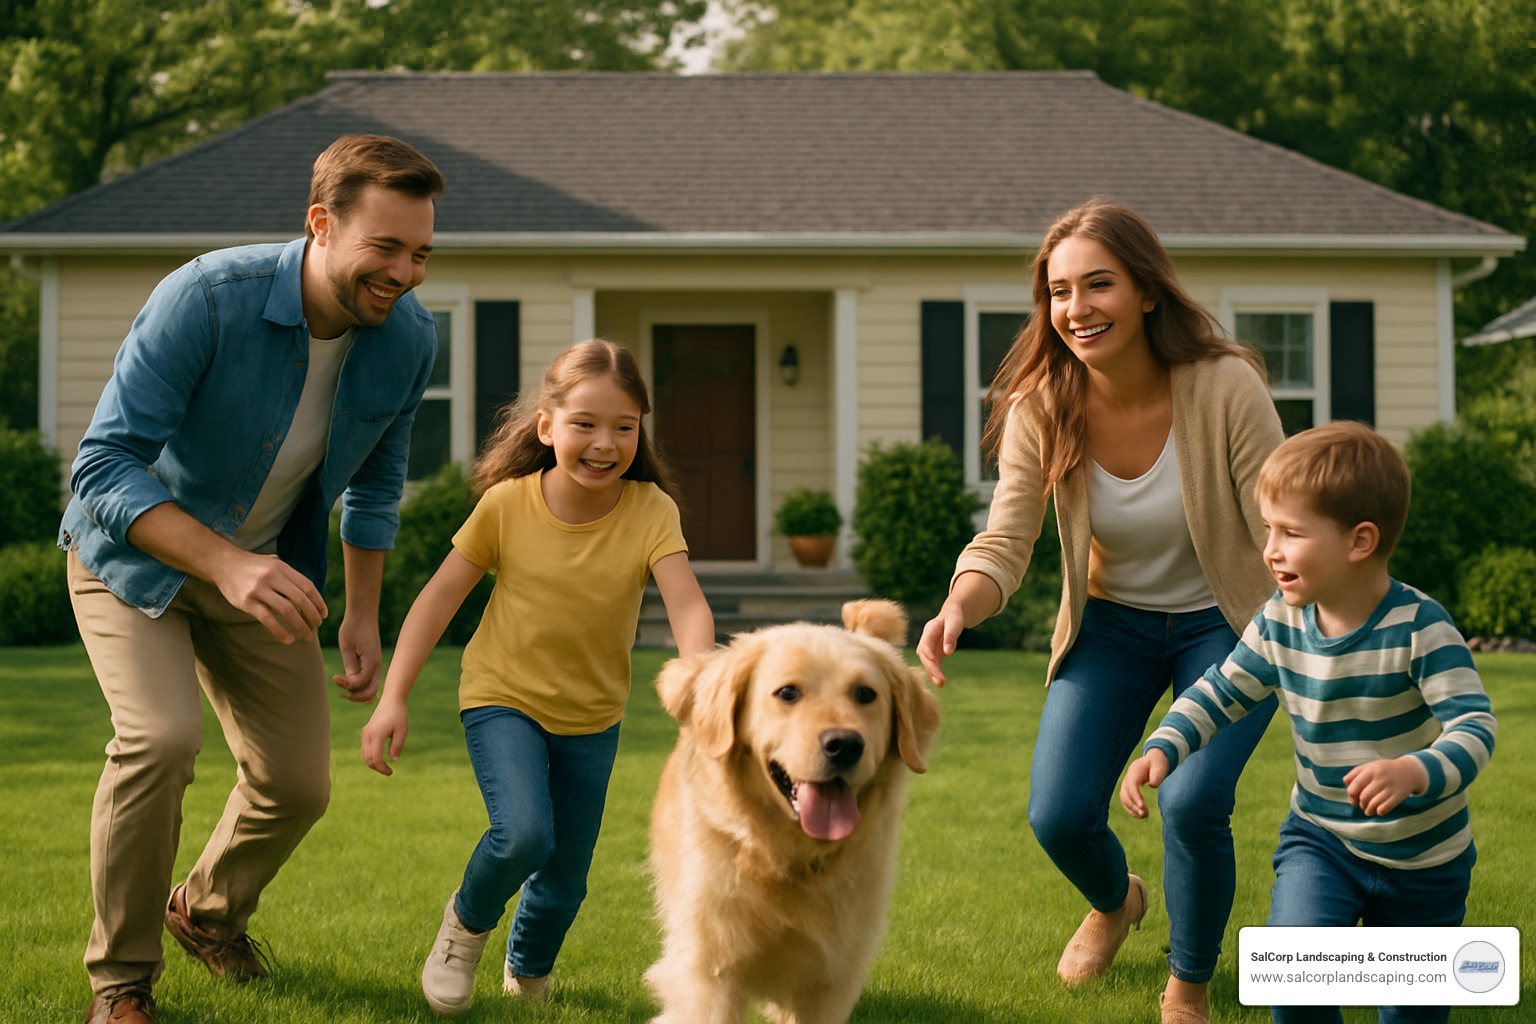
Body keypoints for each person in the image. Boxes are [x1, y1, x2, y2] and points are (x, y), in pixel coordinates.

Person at [59, 134, 444, 1024]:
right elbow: (104, 468)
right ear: (320, 224)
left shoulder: (409, 338)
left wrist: (360, 612)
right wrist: (227, 563)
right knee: (159, 741)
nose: (405, 272)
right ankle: (120, 983)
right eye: (385, 248)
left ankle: (205, 911)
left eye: (421, 252)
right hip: (133, 560)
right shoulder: (205, 299)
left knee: (299, 783)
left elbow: (380, 481)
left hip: (263, 572)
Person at [916, 198, 1285, 1024]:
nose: (1077, 309)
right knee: (1058, 813)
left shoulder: (1225, 385)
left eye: (1099, 285)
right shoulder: (1041, 405)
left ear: (1148, 291)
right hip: (1111, 626)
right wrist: (956, 608)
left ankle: (1187, 984)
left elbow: (1277, 531)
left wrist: (1315, 634)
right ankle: (1118, 903)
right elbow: (1005, 541)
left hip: (1228, 627)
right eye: (1059, 292)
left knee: (1192, 801)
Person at [360, 338, 715, 1016]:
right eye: (584, 423)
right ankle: (464, 928)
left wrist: (700, 681)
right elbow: (438, 598)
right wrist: (393, 698)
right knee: (523, 832)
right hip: (502, 699)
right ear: (547, 426)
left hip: (593, 717)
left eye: (624, 427)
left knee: (564, 880)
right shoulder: (507, 506)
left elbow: (687, 603)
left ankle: (526, 977)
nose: (604, 442)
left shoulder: (649, 513)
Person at [1122, 421, 1496, 1024]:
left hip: (1424, 862)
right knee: (1294, 989)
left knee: (1409, 1014)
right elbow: (1221, 690)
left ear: (1360, 541)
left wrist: (1414, 770)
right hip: (1320, 844)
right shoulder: (1280, 621)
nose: (1270, 548)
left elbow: (1475, 727)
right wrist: (1165, 745)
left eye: (1291, 532)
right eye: (1268, 528)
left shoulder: (1421, 627)